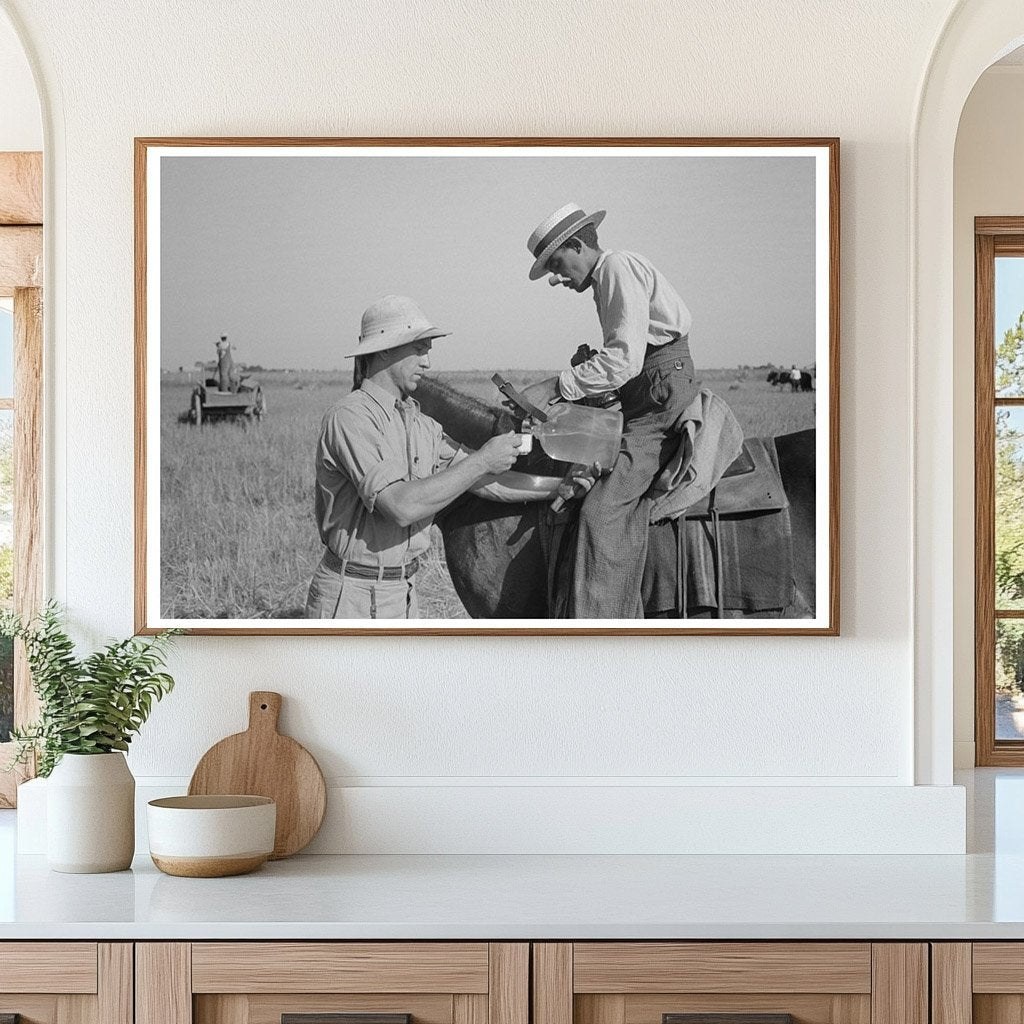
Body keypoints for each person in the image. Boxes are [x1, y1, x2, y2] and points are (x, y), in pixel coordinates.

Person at [520, 202, 699, 618]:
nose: (557, 279)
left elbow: (624, 361)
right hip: (647, 392)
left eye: (558, 265)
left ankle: (603, 628)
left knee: (601, 514)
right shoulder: (607, 278)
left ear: (579, 245)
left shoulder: (617, 267)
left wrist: (556, 385)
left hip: (659, 399)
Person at [305, 295, 521, 620]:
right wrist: (482, 460)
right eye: (420, 349)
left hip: (403, 594)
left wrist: (560, 487)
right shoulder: (350, 417)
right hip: (351, 598)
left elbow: (486, 482)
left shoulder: (422, 424)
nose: (428, 362)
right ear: (385, 349)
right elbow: (401, 507)